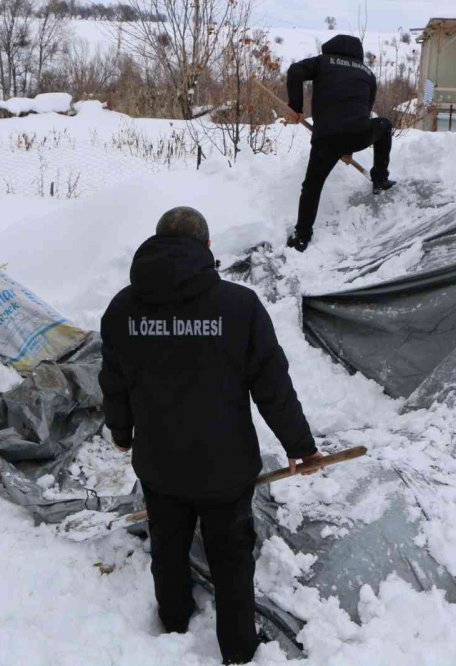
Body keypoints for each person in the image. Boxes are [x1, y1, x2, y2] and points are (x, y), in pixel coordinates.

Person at [98, 207, 322, 665]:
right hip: (225, 467)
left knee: (168, 546)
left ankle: (175, 621)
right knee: (231, 559)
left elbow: (114, 380)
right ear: (207, 248)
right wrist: (300, 446)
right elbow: (271, 384)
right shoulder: (239, 307)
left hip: (159, 463)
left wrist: (122, 433)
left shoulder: (123, 309)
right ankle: (238, 650)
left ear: (157, 242)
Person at [284, 34, 397, 252]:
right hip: (359, 133)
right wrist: (350, 144)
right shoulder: (367, 73)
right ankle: (380, 179)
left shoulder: (322, 62)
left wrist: (296, 107)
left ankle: (302, 236)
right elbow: (365, 106)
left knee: (312, 185)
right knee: (384, 125)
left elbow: (295, 71)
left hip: (327, 138)